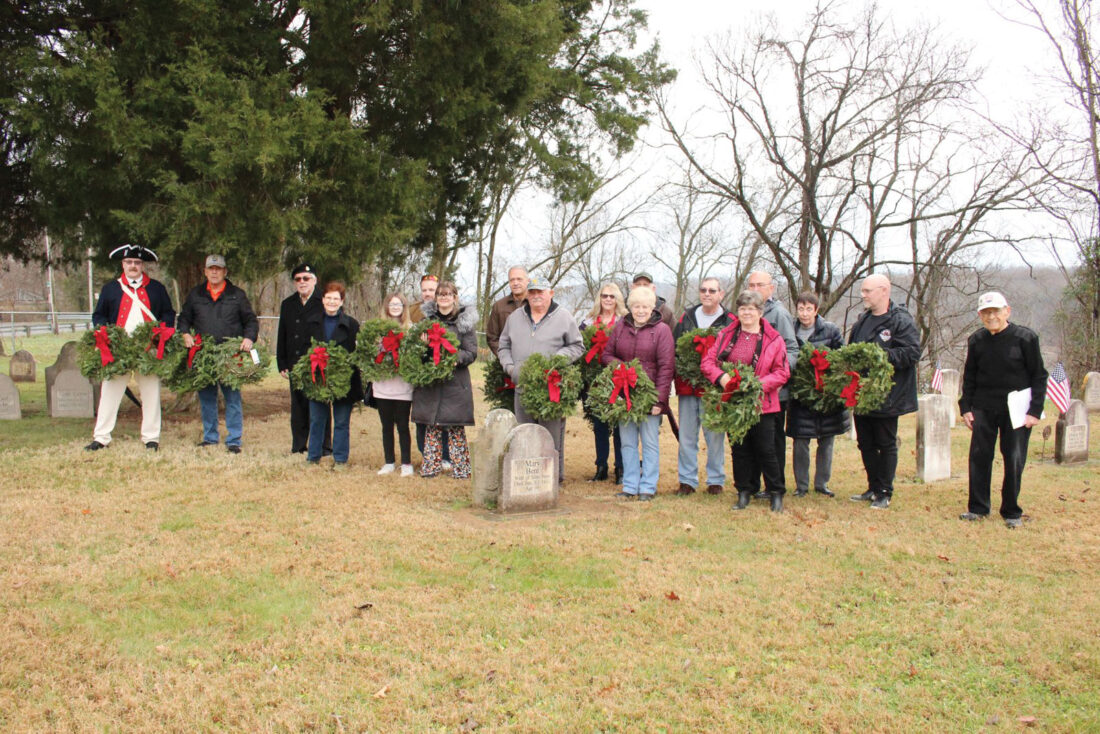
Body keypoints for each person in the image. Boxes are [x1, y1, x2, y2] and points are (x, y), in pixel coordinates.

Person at [958, 292, 1047, 528]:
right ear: (980, 316)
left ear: (1007, 311)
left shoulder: (1025, 338)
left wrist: (1035, 410)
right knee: (979, 457)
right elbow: (970, 376)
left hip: (1017, 410)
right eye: (986, 313)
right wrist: (965, 407)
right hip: (984, 407)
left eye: (996, 311)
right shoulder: (976, 340)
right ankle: (978, 508)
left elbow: (1039, 375)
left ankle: (1011, 511)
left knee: (1014, 458)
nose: (991, 317)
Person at [701, 289, 790, 512]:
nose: (747, 313)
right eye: (742, 309)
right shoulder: (726, 335)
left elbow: (782, 372)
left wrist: (757, 385)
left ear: (760, 312)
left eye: (751, 309)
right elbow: (708, 362)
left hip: (762, 403)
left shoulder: (773, 339)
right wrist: (721, 377)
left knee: (766, 449)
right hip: (733, 402)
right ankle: (744, 491)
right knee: (739, 448)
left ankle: (775, 492)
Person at [85, 244, 176, 452]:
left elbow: (168, 314)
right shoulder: (110, 289)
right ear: (123, 264)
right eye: (129, 262)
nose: (133, 266)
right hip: (119, 349)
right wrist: (105, 333)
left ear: (142, 265)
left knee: (151, 393)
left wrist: (161, 333)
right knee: (110, 392)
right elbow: (99, 315)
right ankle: (101, 437)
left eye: (137, 262)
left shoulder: (157, 289)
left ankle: (151, 438)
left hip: (147, 349)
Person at [498, 275, 584, 482]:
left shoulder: (563, 317)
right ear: (527, 295)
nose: (536, 296)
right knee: (524, 431)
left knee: (551, 435)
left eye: (541, 292)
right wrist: (510, 367)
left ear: (551, 293)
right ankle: (526, 478)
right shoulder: (515, 317)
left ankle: (552, 479)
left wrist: (558, 359)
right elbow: (503, 345)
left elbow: (577, 346)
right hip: (522, 385)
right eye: (532, 292)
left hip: (551, 387)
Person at [847, 273, 921, 510]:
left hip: (889, 393)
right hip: (863, 392)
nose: (863, 295)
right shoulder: (862, 320)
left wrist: (880, 356)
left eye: (867, 291)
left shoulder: (900, 320)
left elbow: (912, 353)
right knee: (865, 442)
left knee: (885, 442)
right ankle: (873, 486)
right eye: (863, 290)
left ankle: (885, 491)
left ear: (884, 291)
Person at [177, 255, 259, 454]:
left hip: (230, 355)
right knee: (206, 399)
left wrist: (249, 338)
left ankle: (234, 440)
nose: (214, 272)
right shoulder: (196, 294)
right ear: (205, 272)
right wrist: (185, 334)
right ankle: (210, 437)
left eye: (218, 268)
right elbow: (184, 319)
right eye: (211, 268)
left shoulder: (237, 295)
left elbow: (250, 320)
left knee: (233, 399)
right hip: (204, 355)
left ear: (225, 271)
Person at [601, 286, 675, 500]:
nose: (640, 311)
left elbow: (666, 367)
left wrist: (659, 401)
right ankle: (630, 485)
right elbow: (606, 355)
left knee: (649, 442)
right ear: (630, 307)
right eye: (636, 306)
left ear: (652, 308)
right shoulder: (620, 327)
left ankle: (648, 487)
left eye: (645, 307)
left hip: (649, 394)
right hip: (624, 393)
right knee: (627, 442)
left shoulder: (662, 331)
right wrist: (621, 367)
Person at [411, 281, 478, 479]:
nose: (444, 298)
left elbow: (471, 352)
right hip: (432, 380)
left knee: (455, 426)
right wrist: (424, 346)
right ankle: (431, 466)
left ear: (455, 297)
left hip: (455, 381)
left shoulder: (464, 323)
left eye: (448, 294)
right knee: (432, 425)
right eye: (440, 294)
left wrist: (453, 358)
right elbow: (417, 353)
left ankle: (461, 468)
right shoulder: (427, 321)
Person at [673, 277, 733, 495]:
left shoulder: (729, 321)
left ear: (721, 294)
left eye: (712, 290)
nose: (707, 294)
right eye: (703, 290)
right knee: (687, 435)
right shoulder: (687, 317)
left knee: (714, 434)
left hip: (714, 388)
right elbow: (675, 348)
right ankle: (687, 480)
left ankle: (715, 479)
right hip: (688, 386)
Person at [785, 292, 847, 497]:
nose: (804, 313)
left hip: (826, 395)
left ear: (816, 310)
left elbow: (842, 357)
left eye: (808, 309)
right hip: (800, 396)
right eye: (801, 309)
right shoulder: (790, 330)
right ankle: (801, 486)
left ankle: (822, 483)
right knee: (800, 442)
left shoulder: (830, 330)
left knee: (826, 441)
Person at [746, 270, 798, 498]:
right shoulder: (747, 312)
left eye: (760, 285)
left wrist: (778, 377)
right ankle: (752, 484)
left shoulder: (778, 314)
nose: (755, 289)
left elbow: (792, 349)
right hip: (750, 391)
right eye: (752, 285)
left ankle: (774, 486)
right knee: (752, 440)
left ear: (771, 288)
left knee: (772, 443)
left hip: (775, 392)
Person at [305, 281, 362, 467]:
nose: (331, 302)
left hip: (343, 381)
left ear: (342, 301)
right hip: (318, 378)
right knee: (317, 420)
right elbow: (305, 350)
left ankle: (340, 459)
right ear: (322, 300)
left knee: (341, 421)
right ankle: (313, 456)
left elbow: (357, 353)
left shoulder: (352, 324)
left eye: (336, 299)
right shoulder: (312, 322)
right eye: (328, 298)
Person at [276, 263, 328, 455]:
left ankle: (324, 446)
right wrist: (282, 362)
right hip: (295, 362)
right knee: (298, 406)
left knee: (320, 404)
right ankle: (298, 445)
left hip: (318, 362)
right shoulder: (288, 304)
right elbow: (282, 334)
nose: (302, 282)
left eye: (306, 278)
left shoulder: (325, 300)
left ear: (314, 280)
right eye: (298, 279)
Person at [579, 283, 627, 483]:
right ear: (599, 298)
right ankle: (601, 466)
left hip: (617, 379)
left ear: (618, 299)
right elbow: (580, 348)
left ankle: (621, 468)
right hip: (594, 381)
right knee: (599, 424)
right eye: (604, 295)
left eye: (612, 296)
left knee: (619, 425)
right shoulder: (588, 322)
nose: (608, 299)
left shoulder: (625, 321)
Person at [372, 293, 415, 477]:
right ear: (386, 307)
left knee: (403, 426)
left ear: (404, 307)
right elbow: (370, 353)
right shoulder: (377, 329)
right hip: (382, 386)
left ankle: (406, 463)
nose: (395, 307)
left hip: (403, 387)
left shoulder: (411, 329)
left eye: (399, 304)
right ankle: (389, 462)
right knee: (386, 426)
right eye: (392, 304)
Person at [409, 273, 449, 467]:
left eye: (431, 290)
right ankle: (426, 453)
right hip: (420, 369)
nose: (427, 293)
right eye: (424, 290)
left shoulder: (446, 311)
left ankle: (445, 455)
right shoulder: (412, 311)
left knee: (443, 414)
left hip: (441, 368)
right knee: (422, 414)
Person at [485, 266, 528, 356]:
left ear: (528, 281)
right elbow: (492, 337)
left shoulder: (536, 305)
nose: (515, 283)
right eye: (512, 280)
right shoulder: (499, 306)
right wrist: (505, 357)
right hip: (505, 361)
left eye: (519, 279)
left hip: (532, 361)